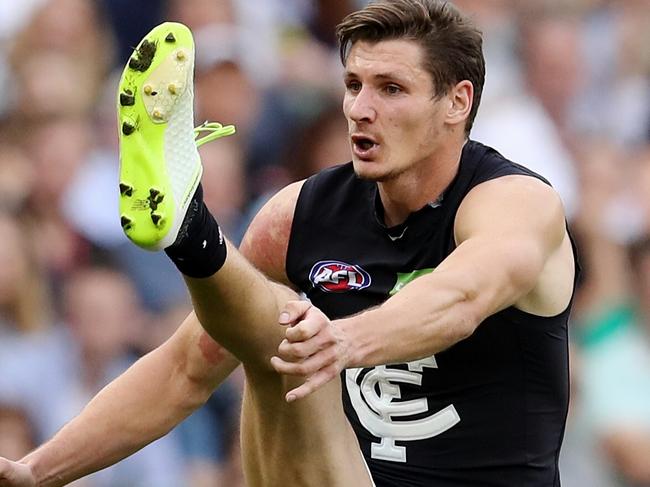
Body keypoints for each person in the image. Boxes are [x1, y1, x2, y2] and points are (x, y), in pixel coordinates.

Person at [0, 1, 578, 486]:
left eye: (391, 88)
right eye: (353, 85)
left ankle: (194, 231)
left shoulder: (515, 202)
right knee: (280, 332)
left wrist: (341, 340)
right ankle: (188, 232)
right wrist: (37, 471)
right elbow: (184, 369)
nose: (360, 109)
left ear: (457, 102)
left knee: (295, 334)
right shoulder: (298, 215)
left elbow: (461, 298)